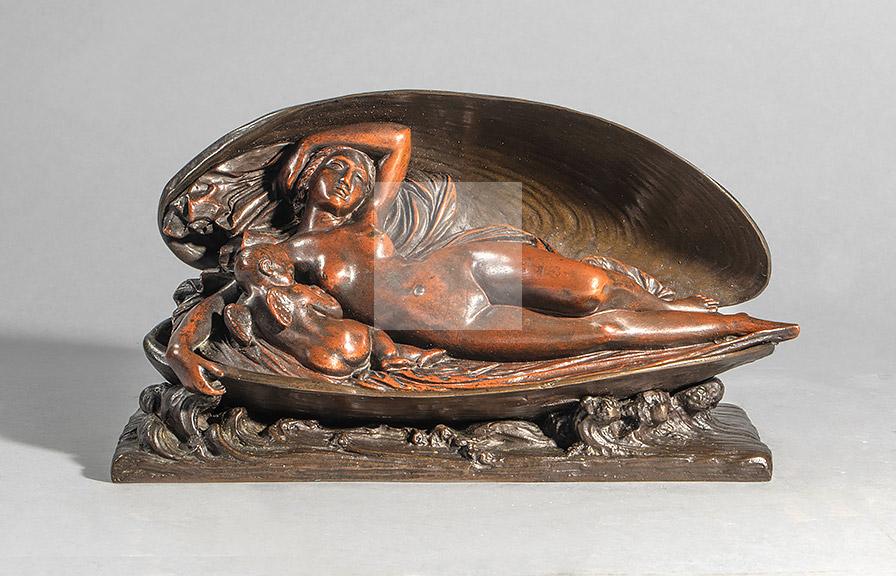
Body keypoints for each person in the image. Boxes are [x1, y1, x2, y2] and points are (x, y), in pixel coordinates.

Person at [167, 123, 798, 394]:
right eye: (335, 168)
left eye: (359, 175)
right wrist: (181, 352)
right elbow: (223, 299)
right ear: (304, 184)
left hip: (462, 264)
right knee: (605, 333)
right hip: (444, 318)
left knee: (594, 289)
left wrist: (321, 139)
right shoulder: (283, 249)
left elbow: (398, 139)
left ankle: (695, 308)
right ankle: (738, 328)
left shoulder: (367, 223)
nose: (352, 179)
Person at [224, 242, 446, 378]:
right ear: (268, 267)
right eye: (289, 268)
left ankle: (407, 358)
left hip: (320, 361)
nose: (291, 273)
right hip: (348, 341)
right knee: (374, 335)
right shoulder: (297, 291)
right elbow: (334, 310)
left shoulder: (244, 308)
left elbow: (245, 337)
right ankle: (394, 357)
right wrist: (318, 293)